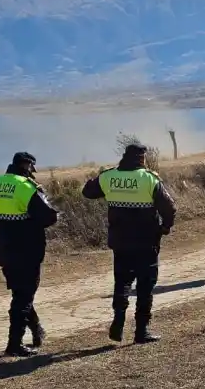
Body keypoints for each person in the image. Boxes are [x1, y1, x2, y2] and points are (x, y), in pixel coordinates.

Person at [82, 143, 176, 344]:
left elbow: (87, 192)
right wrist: (166, 226)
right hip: (146, 242)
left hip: (120, 241)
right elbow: (169, 207)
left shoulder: (109, 176)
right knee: (145, 286)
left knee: (122, 283)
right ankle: (141, 331)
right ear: (142, 158)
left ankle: (118, 322)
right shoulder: (149, 179)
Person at [0, 152, 59, 357]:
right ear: (27, 166)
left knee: (20, 292)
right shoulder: (26, 187)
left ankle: (36, 329)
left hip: (3, 249)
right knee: (23, 296)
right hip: (27, 250)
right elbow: (49, 217)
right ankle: (14, 344)